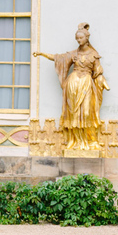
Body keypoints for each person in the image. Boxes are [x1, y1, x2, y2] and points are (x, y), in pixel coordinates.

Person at [34, 22, 109, 151]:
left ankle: (89, 141)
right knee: (73, 113)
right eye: (77, 38)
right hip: (73, 83)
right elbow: (58, 58)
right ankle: (74, 142)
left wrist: (101, 80)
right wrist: (41, 54)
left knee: (86, 112)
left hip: (86, 83)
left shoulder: (94, 55)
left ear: (87, 38)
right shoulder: (74, 54)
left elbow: (97, 72)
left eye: (81, 38)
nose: (79, 40)